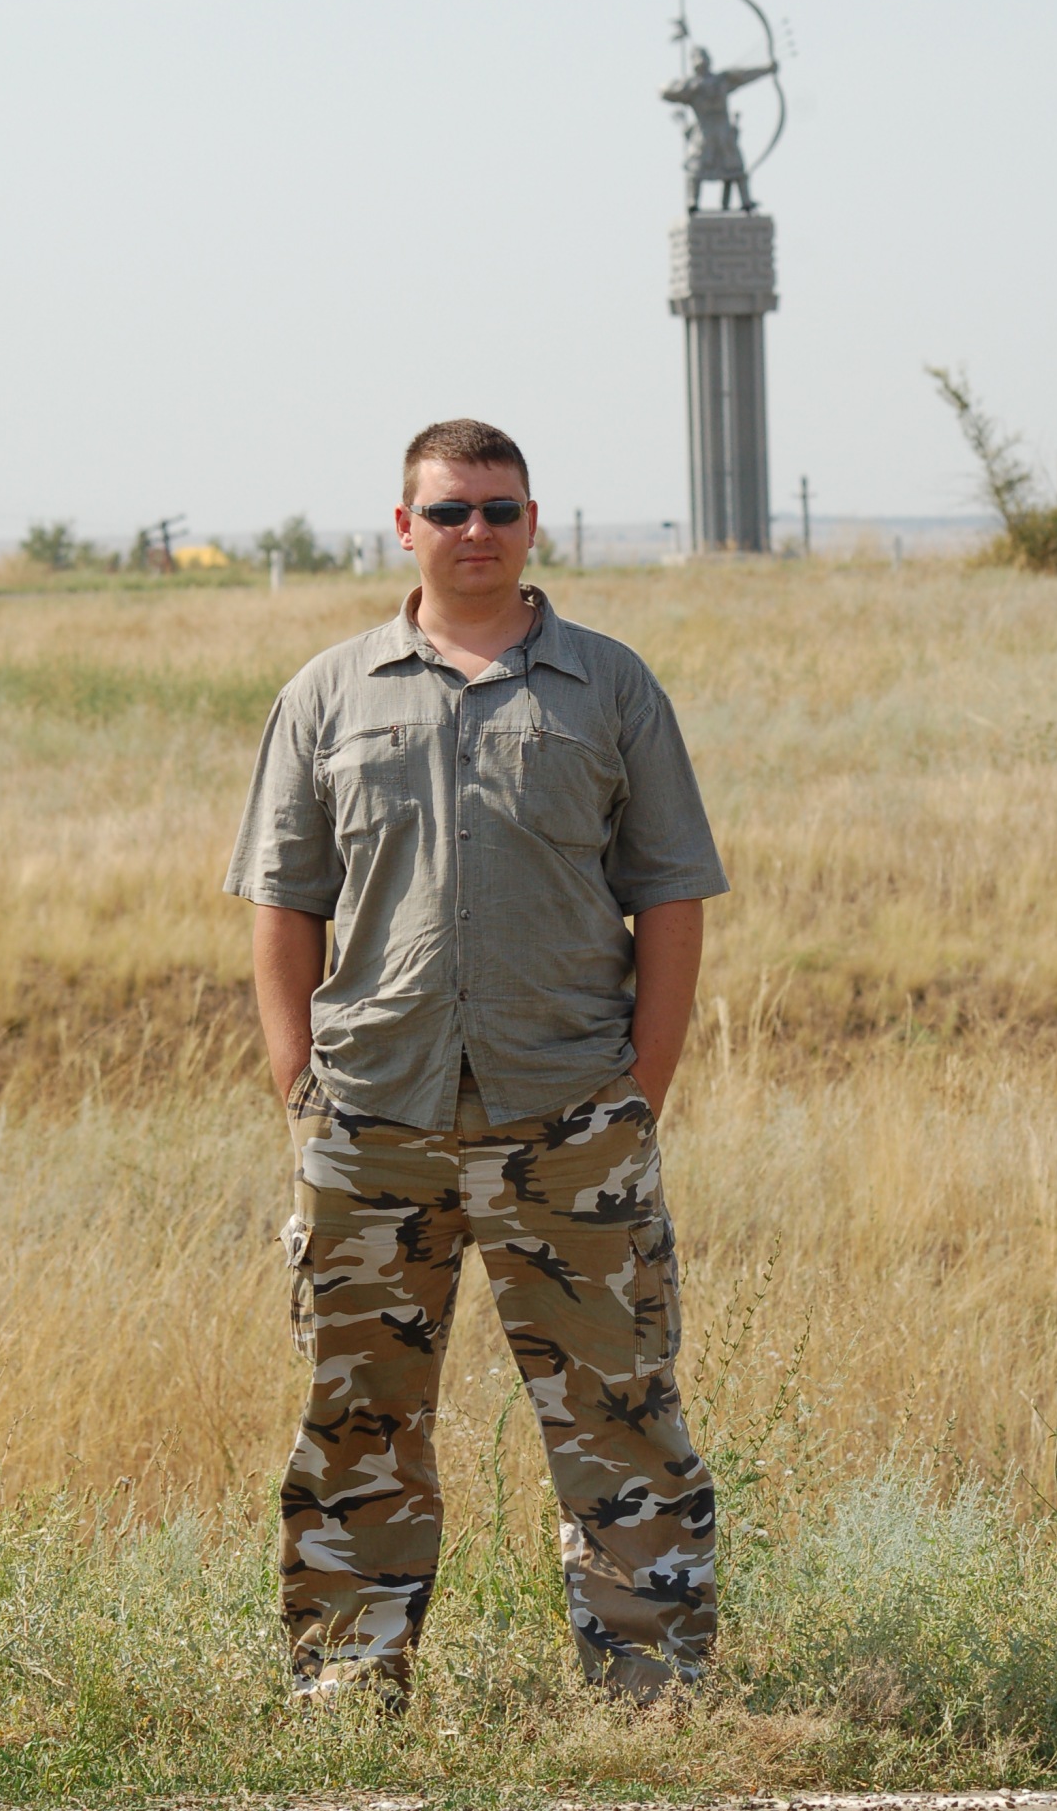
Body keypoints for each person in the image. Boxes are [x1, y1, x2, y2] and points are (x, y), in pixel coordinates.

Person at [224, 418, 729, 1711]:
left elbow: (670, 896)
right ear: (404, 527)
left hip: (567, 1117)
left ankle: (651, 1689)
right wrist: (301, 1086)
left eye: (499, 509)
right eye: (449, 511)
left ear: (532, 523)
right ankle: (350, 1682)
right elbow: (283, 901)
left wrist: (637, 1090)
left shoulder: (609, 687)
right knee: (359, 1416)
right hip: (373, 1119)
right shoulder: (328, 694)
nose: (475, 532)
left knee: (619, 1411)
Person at [661, 44, 777, 213]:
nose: (702, 61)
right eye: (697, 57)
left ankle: (746, 201)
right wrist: (687, 88)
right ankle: (693, 201)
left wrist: (767, 69)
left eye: (704, 57)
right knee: (696, 168)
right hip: (704, 132)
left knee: (735, 167)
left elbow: (745, 76)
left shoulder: (722, 80)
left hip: (723, 131)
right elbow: (664, 92)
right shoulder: (690, 86)